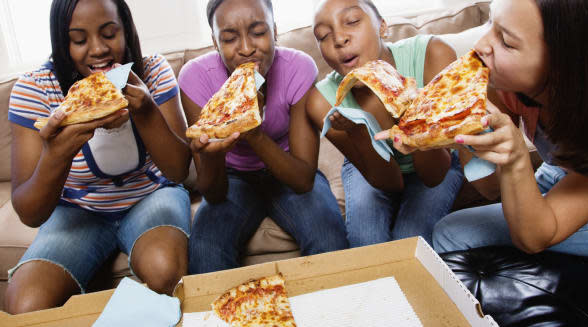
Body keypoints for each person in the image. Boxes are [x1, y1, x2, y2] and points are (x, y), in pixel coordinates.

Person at [5, 0, 191, 314]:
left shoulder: (153, 70)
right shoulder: (34, 90)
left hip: (151, 196)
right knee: (25, 304)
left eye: (109, 33)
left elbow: (178, 170)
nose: (98, 50)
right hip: (77, 211)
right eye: (79, 40)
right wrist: (57, 153)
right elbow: (29, 213)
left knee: (164, 270)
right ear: (62, 44)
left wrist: (146, 112)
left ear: (126, 31)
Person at [180, 0, 349, 274]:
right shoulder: (196, 77)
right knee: (205, 251)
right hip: (231, 177)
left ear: (275, 31)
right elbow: (213, 192)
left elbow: (303, 180)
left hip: (287, 168)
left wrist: (254, 132)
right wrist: (211, 154)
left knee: (328, 236)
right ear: (215, 43)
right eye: (230, 38)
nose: (246, 48)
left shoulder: (299, 67)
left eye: (258, 32)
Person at [430, 0, 588, 257]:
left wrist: (516, 160)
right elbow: (490, 187)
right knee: (449, 229)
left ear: (565, 63)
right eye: (490, 22)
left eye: (507, 42)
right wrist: (463, 129)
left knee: (452, 235)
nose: (479, 46)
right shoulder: (507, 88)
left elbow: (533, 239)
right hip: (563, 170)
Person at [307, 0, 464, 248]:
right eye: (323, 35)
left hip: (436, 160)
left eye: (352, 22)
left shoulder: (433, 55)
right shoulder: (322, 101)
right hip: (371, 168)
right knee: (366, 241)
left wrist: (412, 117)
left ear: (382, 27)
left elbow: (434, 176)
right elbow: (390, 182)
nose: (339, 39)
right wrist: (358, 132)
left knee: (410, 242)